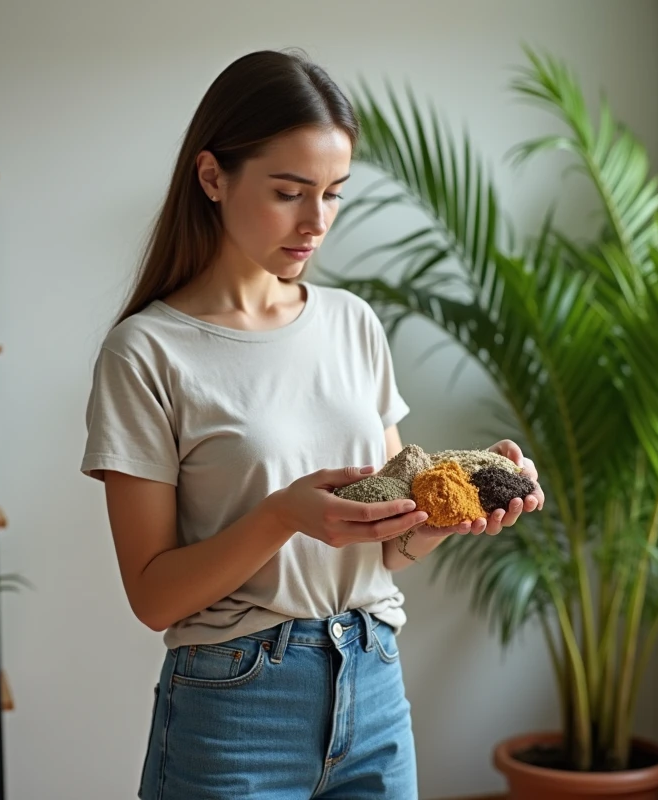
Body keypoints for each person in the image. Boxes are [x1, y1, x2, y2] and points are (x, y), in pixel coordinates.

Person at [80, 48, 544, 800]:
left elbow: (391, 544)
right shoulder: (147, 352)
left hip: (374, 685)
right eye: (291, 192)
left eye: (333, 194)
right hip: (235, 706)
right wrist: (284, 516)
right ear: (212, 178)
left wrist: (444, 512)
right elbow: (154, 596)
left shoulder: (352, 324)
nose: (315, 222)